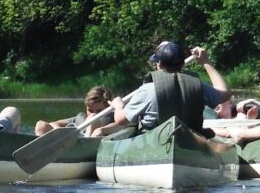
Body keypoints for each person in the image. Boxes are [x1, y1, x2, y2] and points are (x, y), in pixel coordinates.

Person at [92, 42, 231, 138]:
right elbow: (225, 93)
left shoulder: (147, 89)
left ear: (159, 63)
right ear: (183, 64)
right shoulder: (198, 85)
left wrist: (118, 107)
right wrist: (206, 62)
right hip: (190, 140)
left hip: (155, 141)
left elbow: (121, 121)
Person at [34, 86, 113, 137]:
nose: (93, 113)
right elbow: (53, 123)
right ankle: (37, 147)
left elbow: (119, 126)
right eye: (90, 110)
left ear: (108, 108)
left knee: (93, 118)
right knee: (41, 124)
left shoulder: (112, 119)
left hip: (89, 142)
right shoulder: (80, 118)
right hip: (69, 143)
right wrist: (59, 131)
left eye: (98, 111)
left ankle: (86, 140)